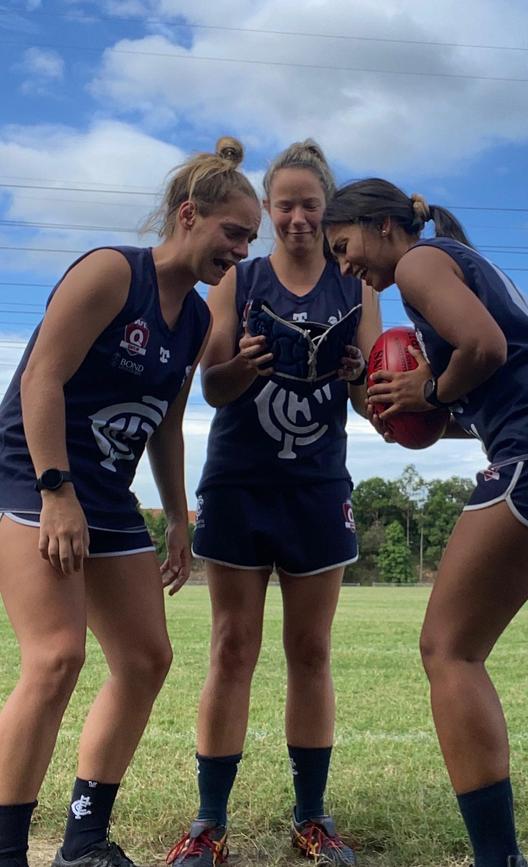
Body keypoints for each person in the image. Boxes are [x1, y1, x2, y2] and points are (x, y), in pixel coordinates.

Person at [322, 179, 528, 867]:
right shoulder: (465, 262)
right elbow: (497, 388)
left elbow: (486, 346)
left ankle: (498, 861)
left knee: (449, 649)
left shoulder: (418, 263)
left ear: (382, 226)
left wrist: (430, 388)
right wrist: (426, 409)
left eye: (344, 248)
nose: (345, 266)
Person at [0, 137, 261, 867]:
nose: (240, 250)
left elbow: (166, 423)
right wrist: (56, 493)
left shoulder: (199, 321)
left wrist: (178, 516)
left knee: (146, 659)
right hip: (33, 475)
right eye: (232, 232)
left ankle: (84, 840)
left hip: (110, 496)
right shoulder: (111, 272)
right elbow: (39, 380)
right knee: (55, 658)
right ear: (188, 215)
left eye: (248, 238)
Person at [166, 140, 381, 867]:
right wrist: (240, 367)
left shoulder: (358, 287)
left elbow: (372, 396)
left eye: (308, 206)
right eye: (282, 205)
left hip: (319, 489)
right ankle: (209, 825)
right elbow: (212, 386)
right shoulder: (240, 276)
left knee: (310, 651)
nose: (294, 218)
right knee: (232, 647)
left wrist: (357, 373)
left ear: (328, 210)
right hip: (239, 484)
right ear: (268, 208)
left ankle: (311, 817)